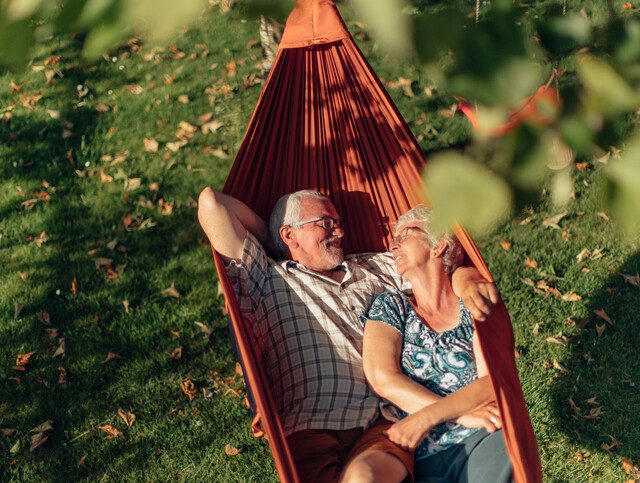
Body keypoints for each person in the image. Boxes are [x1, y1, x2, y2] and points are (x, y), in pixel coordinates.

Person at [197, 188, 500, 482]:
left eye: (338, 224)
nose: (339, 232)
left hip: (383, 421)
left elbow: (438, 265)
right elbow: (212, 204)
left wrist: (470, 281)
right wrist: (275, 238)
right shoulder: (265, 277)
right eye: (326, 224)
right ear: (289, 235)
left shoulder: (376, 266)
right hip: (310, 428)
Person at [346, 205, 512, 482]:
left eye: (406, 234)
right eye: (393, 237)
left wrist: (426, 418)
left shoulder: (471, 302)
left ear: (438, 246)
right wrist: (460, 415)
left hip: (484, 436)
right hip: (419, 454)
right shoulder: (391, 306)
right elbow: (383, 379)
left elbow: (492, 382)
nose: (392, 244)